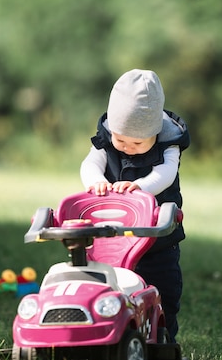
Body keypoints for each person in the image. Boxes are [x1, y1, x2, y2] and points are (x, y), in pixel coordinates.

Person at [80, 68, 190, 340]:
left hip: (156, 241)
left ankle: (164, 341)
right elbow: (90, 163)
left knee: (163, 291)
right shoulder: (108, 140)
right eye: (120, 140)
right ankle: (108, 336)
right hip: (113, 236)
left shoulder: (168, 142)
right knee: (109, 290)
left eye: (137, 142)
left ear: (155, 132)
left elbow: (166, 173)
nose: (127, 147)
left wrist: (141, 186)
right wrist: (95, 182)